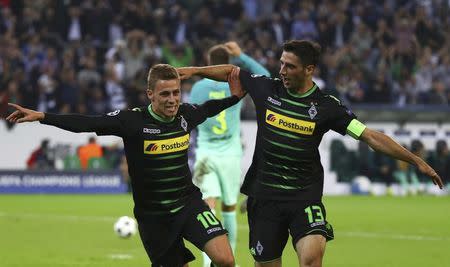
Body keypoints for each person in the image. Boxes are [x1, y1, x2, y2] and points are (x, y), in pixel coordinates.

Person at [177, 40, 444, 267]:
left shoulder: (327, 107)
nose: (282, 70)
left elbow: (370, 137)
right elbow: (232, 72)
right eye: (281, 64)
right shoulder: (267, 90)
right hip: (264, 199)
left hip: (303, 198)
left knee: (312, 258)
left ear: (309, 70)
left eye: (289, 66)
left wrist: (416, 159)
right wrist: (194, 70)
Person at [6, 63, 246, 267]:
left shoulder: (186, 115)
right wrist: (43, 117)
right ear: (150, 94)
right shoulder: (131, 121)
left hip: (188, 205)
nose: (172, 100)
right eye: (165, 94)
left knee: (225, 259)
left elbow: (208, 109)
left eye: (176, 93)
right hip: (154, 218)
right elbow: (86, 123)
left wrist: (234, 97)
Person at [189, 41, 270, 267]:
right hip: (231, 155)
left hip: (206, 154)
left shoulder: (197, 89)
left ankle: (208, 264)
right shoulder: (238, 83)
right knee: (229, 210)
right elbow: (265, 76)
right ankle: (229, 261)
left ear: (208, 64)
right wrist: (242, 56)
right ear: (228, 64)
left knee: (207, 208)